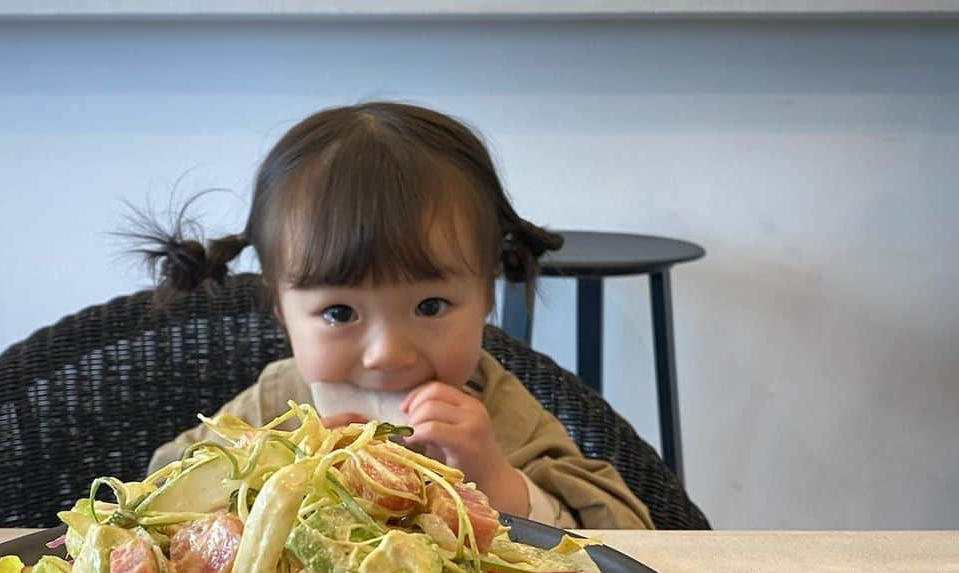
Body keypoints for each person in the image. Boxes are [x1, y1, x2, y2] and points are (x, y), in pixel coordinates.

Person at [141, 102, 653, 530]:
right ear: (282, 312)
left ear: (486, 298)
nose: (387, 353)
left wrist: (493, 478)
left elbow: (626, 539)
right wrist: (266, 471)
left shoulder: (494, 410)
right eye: (340, 312)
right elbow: (153, 500)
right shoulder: (275, 404)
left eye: (429, 306)